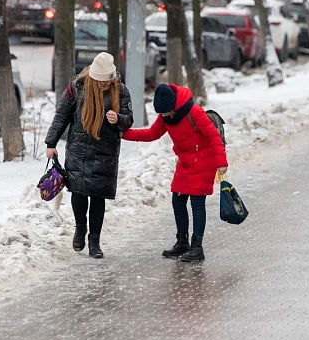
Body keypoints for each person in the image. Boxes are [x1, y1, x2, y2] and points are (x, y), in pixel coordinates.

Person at [122, 84, 228, 262]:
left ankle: (197, 247)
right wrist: (123, 134)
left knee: (197, 203)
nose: (162, 116)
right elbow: (151, 134)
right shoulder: (166, 116)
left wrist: (221, 162)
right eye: (160, 113)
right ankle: (182, 242)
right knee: (177, 200)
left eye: (164, 112)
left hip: (204, 159)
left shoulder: (194, 112)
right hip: (185, 162)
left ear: (173, 106)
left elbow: (213, 136)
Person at [45, 52, 133, 259]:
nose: (105, 85)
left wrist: (118, 118)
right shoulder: (76, 88)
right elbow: (62, 116)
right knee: (78, 192)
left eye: (108, 81)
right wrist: (51, 143)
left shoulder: (120, 91)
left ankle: (95, 241)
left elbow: (129, 120)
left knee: (98, 197)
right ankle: (80, 229)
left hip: (106, 150)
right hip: (79, 148)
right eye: (101, 81)